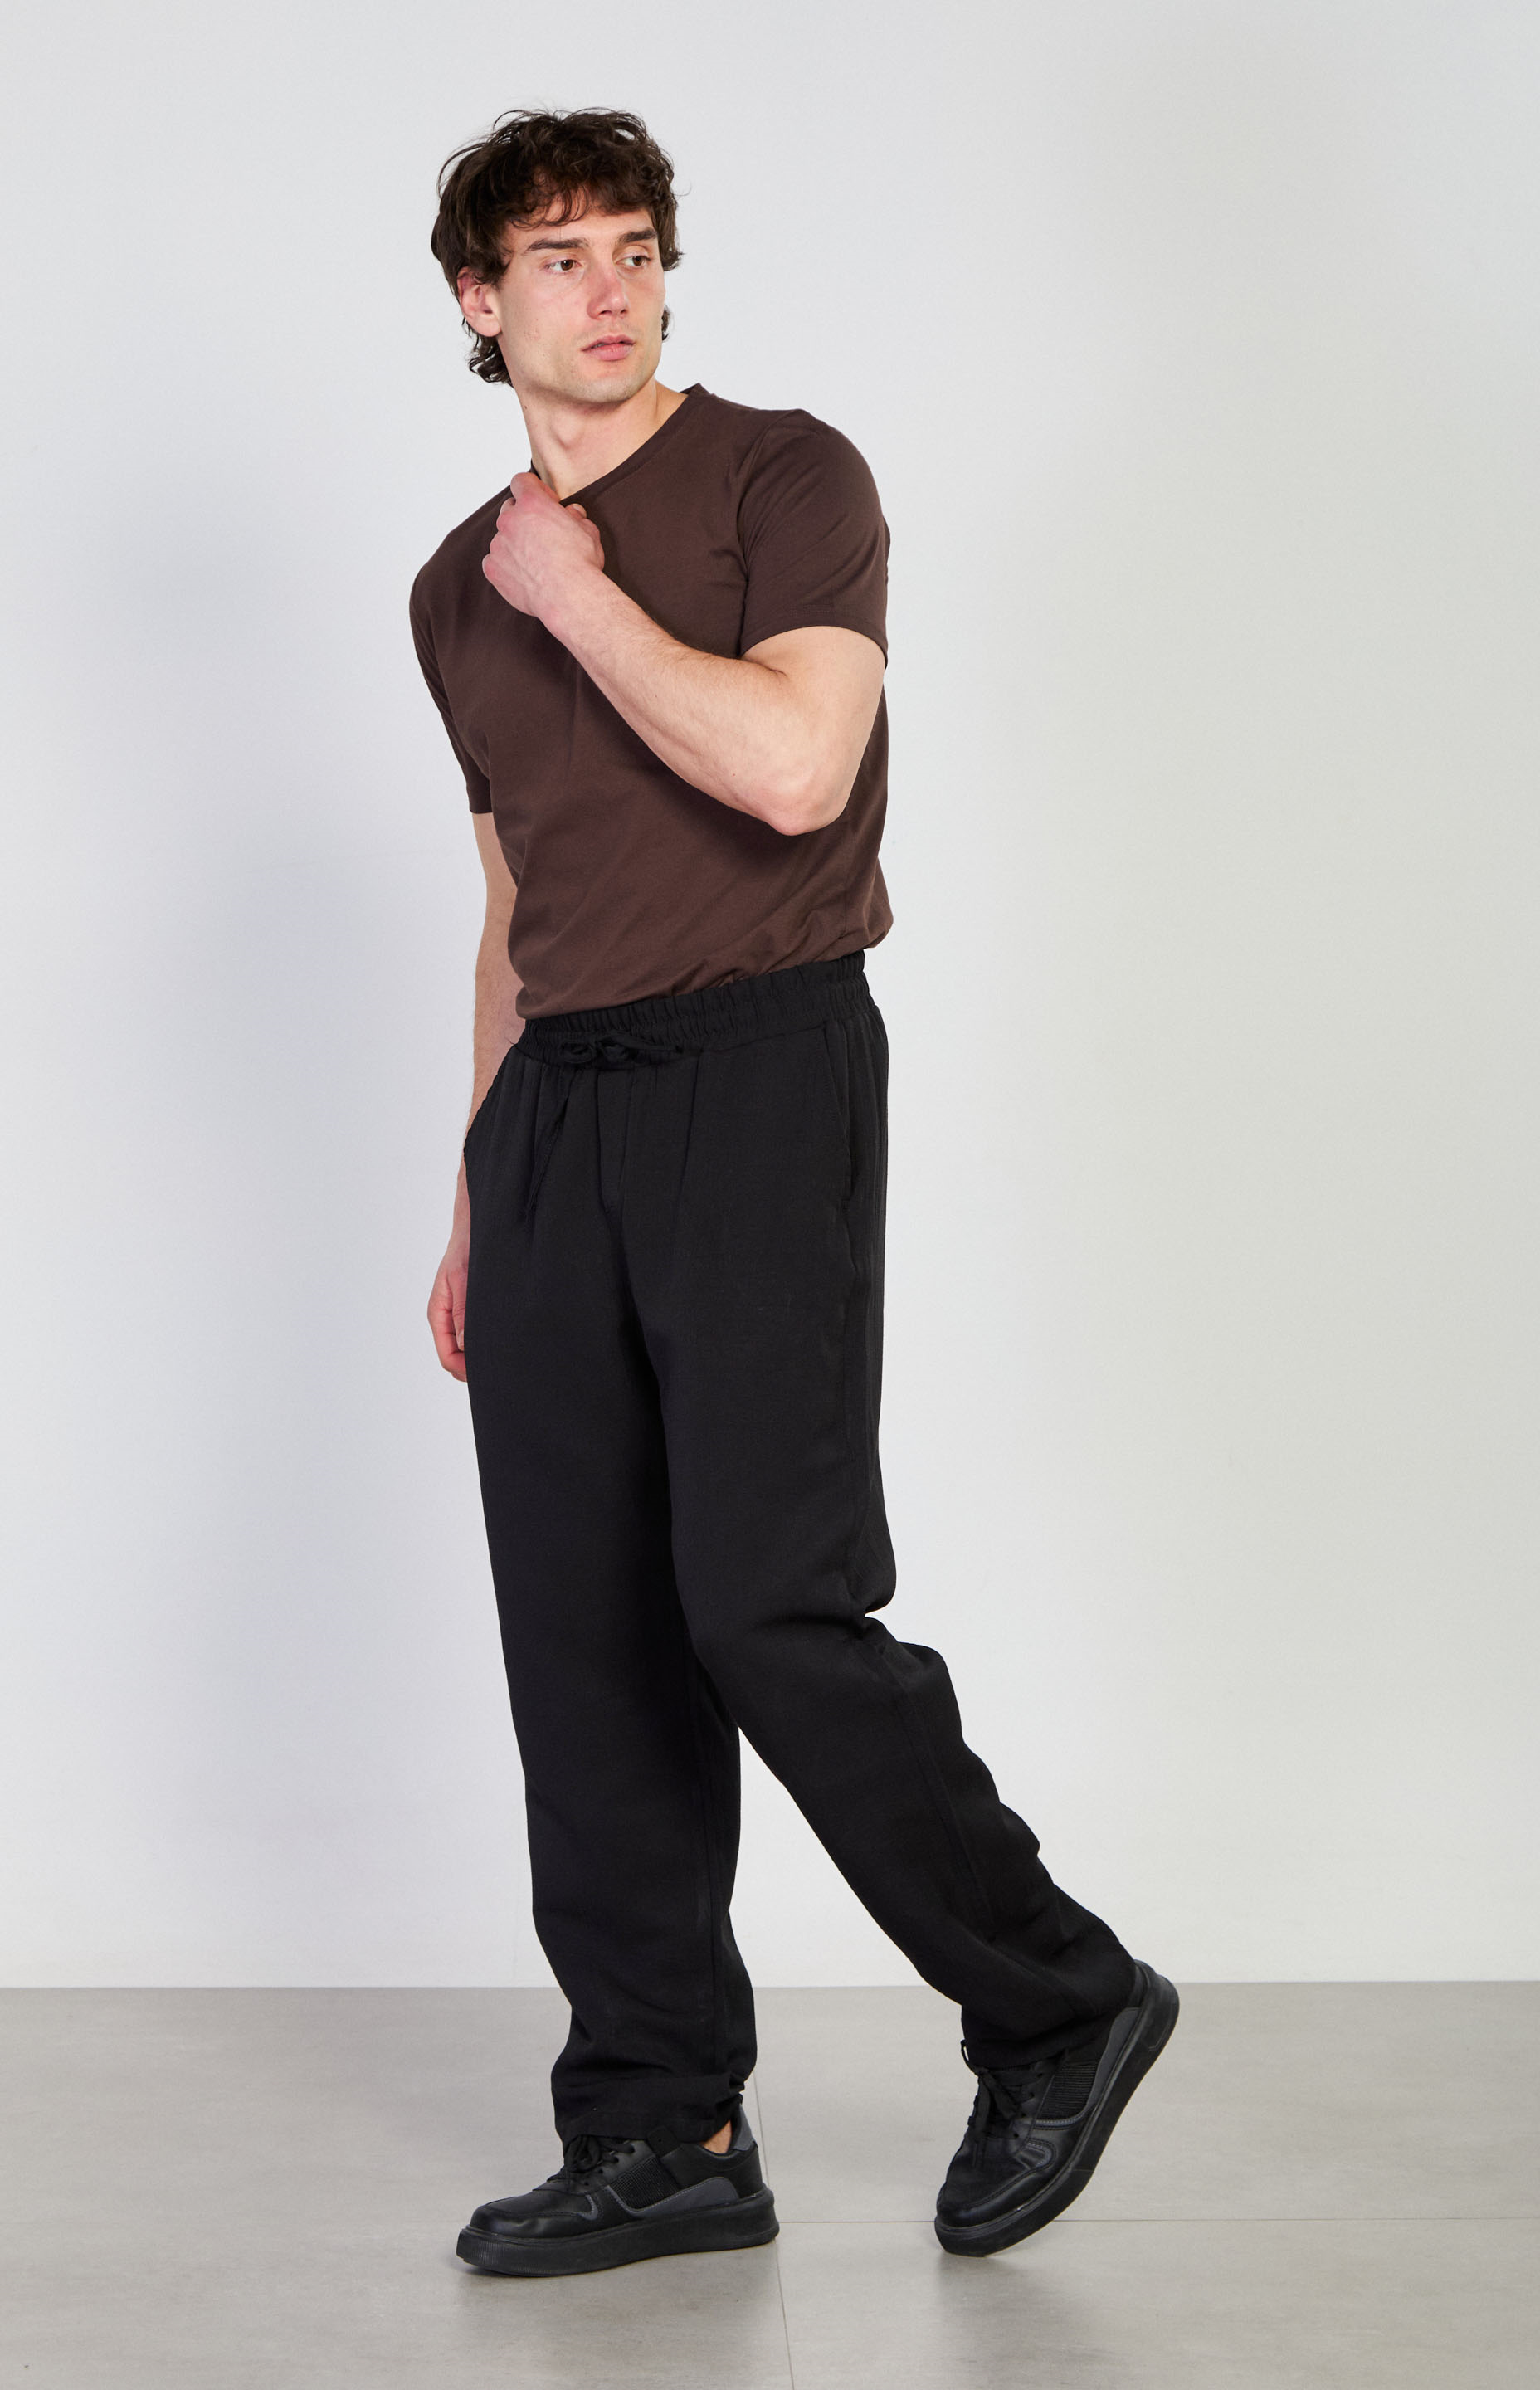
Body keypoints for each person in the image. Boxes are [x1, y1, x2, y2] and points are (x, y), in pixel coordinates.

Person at [410, 107, 1175, 2280]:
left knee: (767, 1600)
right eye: (560, 257)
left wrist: (578, 592)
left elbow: (792, 765)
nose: (610, 289)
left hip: (762, 1068)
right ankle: (664, 2128)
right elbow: (514, 903)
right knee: (581, 1639)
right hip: (556, 1120)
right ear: (478, 301)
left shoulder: (782, 479)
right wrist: (474, 1189)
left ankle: (1059, 1995)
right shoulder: (446, 590)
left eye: (635, 247)